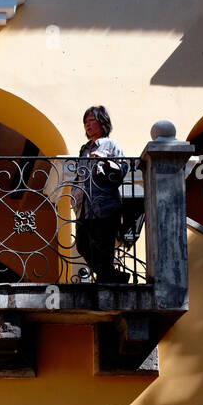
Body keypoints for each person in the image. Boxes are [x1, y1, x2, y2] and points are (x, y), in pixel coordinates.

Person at [72, 106, 128, 282]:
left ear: (102, 122)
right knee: (82, 244)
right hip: (83, 206)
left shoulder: (111, 145)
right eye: (85, 122)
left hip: (104, 205)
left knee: (103, 245)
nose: (87, 125)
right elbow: (79, 175)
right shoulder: (84, 149)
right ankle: (111, 276)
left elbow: (123, 169)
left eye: (91, 120)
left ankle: (108, 277)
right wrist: (74, 192)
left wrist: (105, 161)